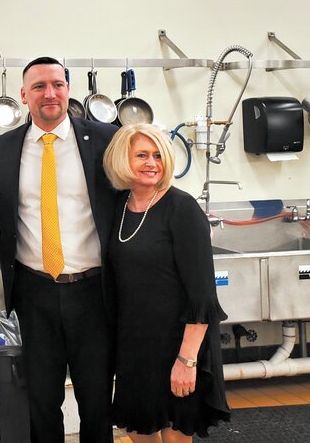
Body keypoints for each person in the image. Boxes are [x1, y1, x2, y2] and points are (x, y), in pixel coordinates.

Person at [0, 56, 116, 443]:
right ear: (24, 95)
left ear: (68, 89)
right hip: (34, 294)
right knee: (42, 404)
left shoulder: (103, 138)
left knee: (96, 402)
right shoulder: (6, 147)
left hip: (93, 293)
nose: (51, 94)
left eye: (58, 84)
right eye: (40, 87)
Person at [102, 123, 230, 442]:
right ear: (121, 159)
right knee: (138, 430)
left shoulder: (181, 208)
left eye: (158, 155)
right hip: (135, 345)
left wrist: (186, 360)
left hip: (178, 344)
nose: (152, 163)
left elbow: (202, 295)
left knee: (175, 435)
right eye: (142, 155)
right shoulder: (117, 207)